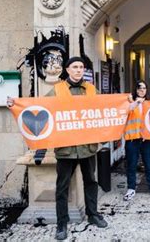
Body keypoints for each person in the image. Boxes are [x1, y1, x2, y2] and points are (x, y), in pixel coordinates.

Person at [9, 56, 108, 240]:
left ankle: (93, 215)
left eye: (81, 67)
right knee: (62, 187)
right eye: (75, 67)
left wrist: (128, 104)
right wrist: (15, 105)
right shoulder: (57, 90)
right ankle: (62, 222)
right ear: (68, 70)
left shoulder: (92, 90)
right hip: (66, 149)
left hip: (87, 148)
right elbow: (39, 109)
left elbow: (105, 110)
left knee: (91, 182)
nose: (79, 70)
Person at [123, 80, 150, 201]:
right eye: (140, 88)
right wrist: (135, 102)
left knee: (149, 164)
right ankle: (131, 188)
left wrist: (149, 132)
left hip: (146, 139)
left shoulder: (149, 104)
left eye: (144, 88)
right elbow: (125, 112)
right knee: (131, 164)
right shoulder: (128, 101)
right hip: (132, 139)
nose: (142, 90)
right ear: (135, 89)